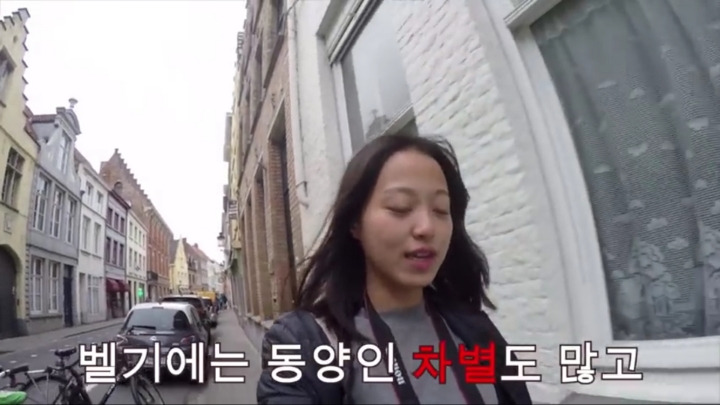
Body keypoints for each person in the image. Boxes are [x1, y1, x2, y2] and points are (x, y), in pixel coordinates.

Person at [257, 133, 532, 404]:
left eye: (440, 210)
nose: (427, 228)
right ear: (355, 223)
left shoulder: (473, 327)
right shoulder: (303, 344)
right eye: (400, 208)